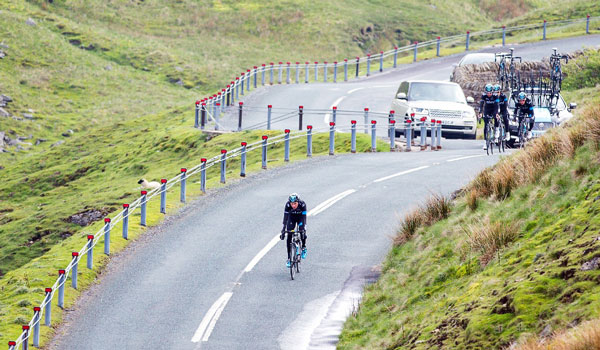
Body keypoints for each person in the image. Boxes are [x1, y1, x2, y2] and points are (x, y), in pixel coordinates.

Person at [280, 193, 307, 267]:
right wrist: (283, 230)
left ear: (298, 202)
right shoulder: (288, 205)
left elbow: (304, 218)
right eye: (292, 204)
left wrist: (304, 229)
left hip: (300, 218)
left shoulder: (302, 204)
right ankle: (289, 258)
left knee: (302, 232)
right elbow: (285, 218)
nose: (293, 205)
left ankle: (304, 247)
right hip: (291, 218)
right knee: (289, 235)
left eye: (295, 203)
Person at [478, 84, 499, 150]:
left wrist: (496, 113)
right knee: (486, 125)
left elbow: (497, 106)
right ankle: (485, 142)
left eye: (490, 93)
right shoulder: (484, 96)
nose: (489, 94)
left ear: (492, 92)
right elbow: (481, 105)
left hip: (494, 109)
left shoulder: (495, 96)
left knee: (496, 117)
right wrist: (480, 113)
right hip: (487, 110)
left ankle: (496, 130)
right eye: (487, 93)